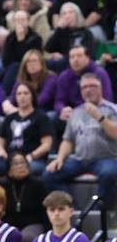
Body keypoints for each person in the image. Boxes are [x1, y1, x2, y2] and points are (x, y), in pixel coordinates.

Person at [44, 72, 117, 209]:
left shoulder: (112, 109)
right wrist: (59, 158)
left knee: (109, 174)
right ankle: (73, 211)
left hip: (106, 158)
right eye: (84, 87)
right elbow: (68, 140)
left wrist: (99, 116)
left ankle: (96, 216)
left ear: (100, 88)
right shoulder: (76, 112)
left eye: (92, 86)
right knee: (50, 174)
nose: (88, 90)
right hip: (80, 159)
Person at [0, 83, 54, 183]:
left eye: (26, 93)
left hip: (33, 160)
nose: (22, 96)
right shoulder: (9, 118)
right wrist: (0, 151)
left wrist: (31, 156)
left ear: (32, 96)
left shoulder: (41, 117)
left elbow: (47, 145)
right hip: (9, 160)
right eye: (19, 94)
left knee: (26, 169)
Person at [53, 44, 113, 121]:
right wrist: (62, 109)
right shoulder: (64, 76)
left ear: (87, 58)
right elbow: (59, 100)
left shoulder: (100, 73)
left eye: (79, 56)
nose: (75, 60)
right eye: (72, 57)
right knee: (53, 117)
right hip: (71, 114)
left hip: (95, 112)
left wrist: (80, 111)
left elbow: (107, 98)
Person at [0, 10, 43, 92]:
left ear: (28, 21)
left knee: (15, 66)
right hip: (12, 68)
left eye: (22, 20)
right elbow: (6, 60)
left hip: (30, 67)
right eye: (17, 20)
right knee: (11, 67)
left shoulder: (35, 38)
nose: (20, 23)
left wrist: (21, 41)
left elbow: (29, 58)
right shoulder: (10, 38)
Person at [4, 49, 57, 115]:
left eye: (34, 61)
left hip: (44, 111)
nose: (31, 64)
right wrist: (7, 103)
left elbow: (42, 99)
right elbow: (13, 97)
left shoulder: (51, 78)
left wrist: (22, 107)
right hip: (24, 111)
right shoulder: (21, 79)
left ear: (41, 63)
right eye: (28, 62)